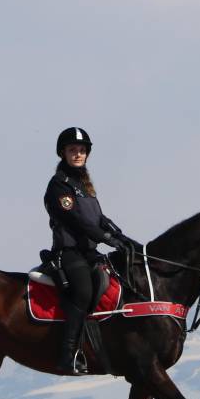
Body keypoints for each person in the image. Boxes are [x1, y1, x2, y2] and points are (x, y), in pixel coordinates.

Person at [44, 127, 138, 374]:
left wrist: (122, 238)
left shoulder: (85, 187)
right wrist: (107, 239)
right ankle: (68, 355)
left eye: (82, 150)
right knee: (83, 290)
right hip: (69, 253)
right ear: (63, 153)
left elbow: (99, 218)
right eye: (73, 150)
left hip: (89, 253)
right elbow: (78, 221)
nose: (78, 154)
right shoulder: (58, 186)